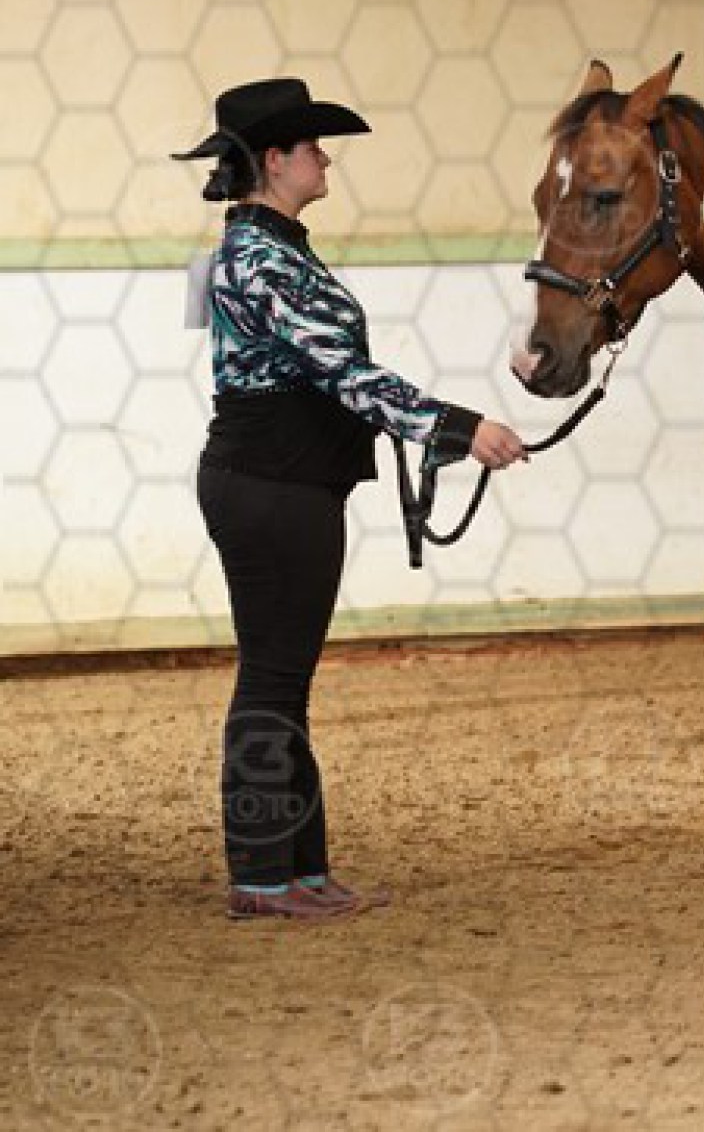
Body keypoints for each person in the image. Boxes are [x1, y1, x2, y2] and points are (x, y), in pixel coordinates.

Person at [176, 78, 530, 921]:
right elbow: (343, 373)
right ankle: (264, 876)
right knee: (272, 680)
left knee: (283, 681)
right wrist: (458, 428)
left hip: (286, 483)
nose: (326, 160)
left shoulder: (268, 249)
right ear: (274, 160)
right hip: (272, 488)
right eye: (312, 148)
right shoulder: (260, 258)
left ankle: (298, 870)